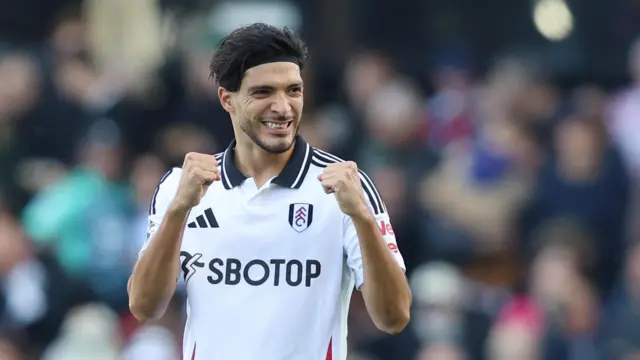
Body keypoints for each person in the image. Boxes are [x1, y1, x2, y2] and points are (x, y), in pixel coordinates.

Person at [127, 23, 411, 360]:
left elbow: (393, 317)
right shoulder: (181, 187)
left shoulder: (344, 186)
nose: (283, 107)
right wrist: (177, 211)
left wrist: (362, 218)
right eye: (263, 92)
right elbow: (145, 307)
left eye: (293, 90)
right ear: (227, 99)